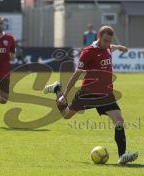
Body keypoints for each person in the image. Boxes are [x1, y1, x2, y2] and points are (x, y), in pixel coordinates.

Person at [44, 26, 138, 164]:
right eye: (105, 40)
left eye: (109, 41)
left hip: (106, 94)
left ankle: (122, 156)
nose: (107, 44)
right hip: (88, 93)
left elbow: (111, 47)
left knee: (119, 120)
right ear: (98, 37)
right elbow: (77, 74)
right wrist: (64, 94)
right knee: (66, 115)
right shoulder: (88, 52)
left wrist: (120, 47)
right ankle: (57, 89)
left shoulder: (107, 47)